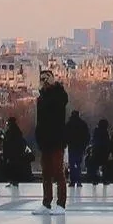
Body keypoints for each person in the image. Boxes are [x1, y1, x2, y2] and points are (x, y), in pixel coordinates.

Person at [35, 68, 70, 210]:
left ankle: (61, 203)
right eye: (42, 79)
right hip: (45, 140)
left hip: (56, 139)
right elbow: (40, 120)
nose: (44, 82)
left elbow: (59, 104)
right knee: (46, 173)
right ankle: (46, 202)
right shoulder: (41, 97)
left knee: (58, 173)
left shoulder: (58, 95)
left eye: (46, 79)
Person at [66, 109, 90, 189]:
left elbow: (65, 135)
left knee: (72, 165)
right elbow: (87, 136)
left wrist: (67, 143)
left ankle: (72, 181)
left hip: (72, 147)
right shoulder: (83, 124)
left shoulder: (69, 124)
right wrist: (85, 145)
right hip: (80, 147)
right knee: (79, 164)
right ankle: (79, 181)